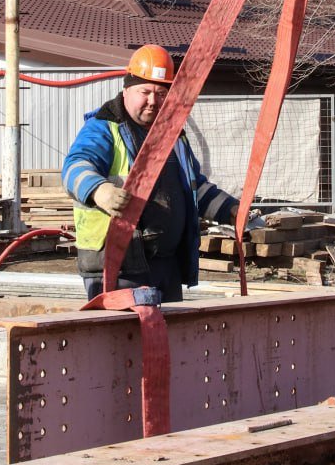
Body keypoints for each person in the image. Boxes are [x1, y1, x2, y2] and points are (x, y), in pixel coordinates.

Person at [63, 45, 246, 302]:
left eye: (161, 93)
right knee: (126, 339)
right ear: (127, 90)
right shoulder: (104, 128)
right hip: (119, 264)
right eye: (145, 92)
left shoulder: (173, 136)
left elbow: (195, 188)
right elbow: (75, 166)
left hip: (166, 264)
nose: (153, 101)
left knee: (169, 338)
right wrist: (98, 191)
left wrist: (231, 210)